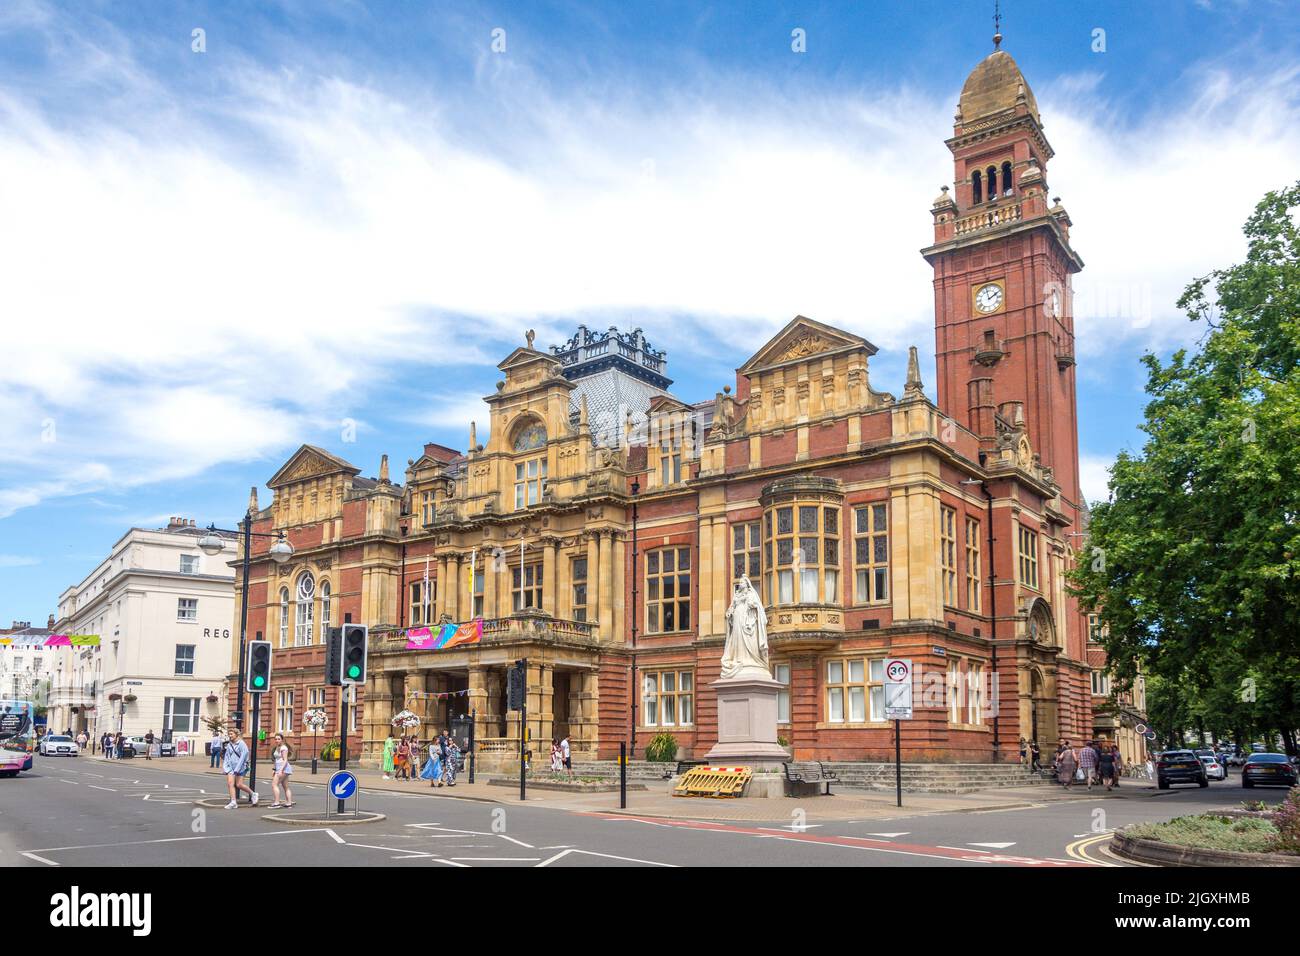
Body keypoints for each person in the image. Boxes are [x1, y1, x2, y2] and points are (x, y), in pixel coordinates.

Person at [222, 729, 258, 809]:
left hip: (241, 767)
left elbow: (243, 756)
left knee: (239, 784)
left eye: (231, 734)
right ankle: (233, 802)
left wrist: (237, 768)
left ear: (236, 734)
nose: (230, 736)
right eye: (229, 734)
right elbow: (227, 756)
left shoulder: (241, 744)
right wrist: (225, 767)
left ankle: (253, 794)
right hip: (231, 767)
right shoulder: (229, 744)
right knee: (230, 783)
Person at [269, 733, 294, 808]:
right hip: (280, 768)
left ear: (282, 740)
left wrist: (280, 770)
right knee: (285, 786)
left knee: (274, 785)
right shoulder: (277, 747)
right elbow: (276, 760)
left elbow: (285, 760)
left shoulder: (283, 748)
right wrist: (274, 769)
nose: (277, 740)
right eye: (276, 739)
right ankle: (289, 803)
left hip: (283, 769)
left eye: (278, 739)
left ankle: (277, 802)